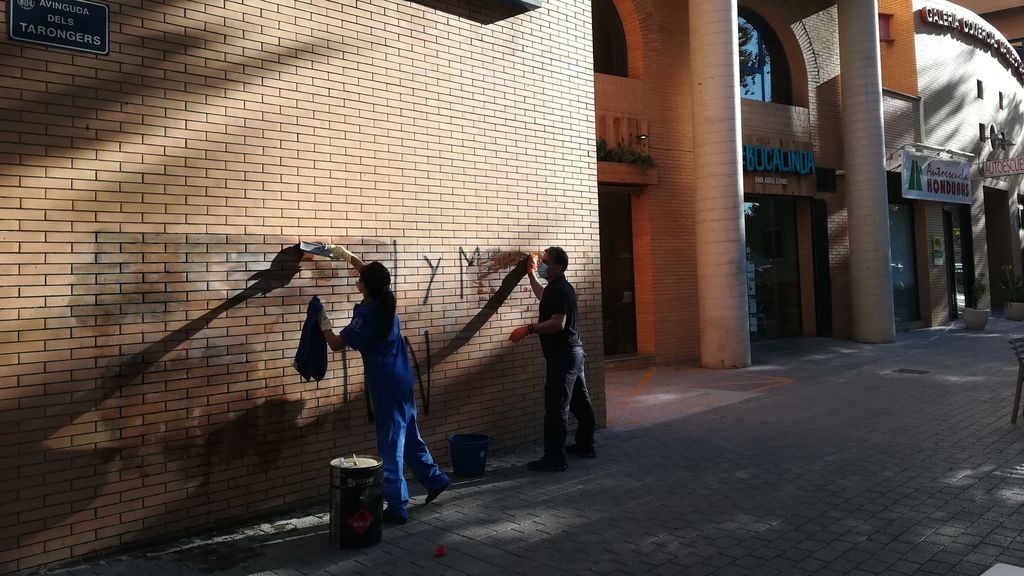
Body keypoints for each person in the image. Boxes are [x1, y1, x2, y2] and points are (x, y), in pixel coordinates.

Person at [319, 247, 450, 524]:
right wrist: (347, 256)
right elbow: (374, 275)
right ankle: (435, 479)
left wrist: (322, 322)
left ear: (366, 285)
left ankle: (398, 506)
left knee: (390, 445)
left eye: (360, 277)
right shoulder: (386, 299)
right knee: (410, 436)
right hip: (401, 380)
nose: (358, 278)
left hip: (385, 383)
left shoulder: (366, 315)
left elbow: (336, 344)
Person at [509, 247, 596, 472]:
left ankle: (555, 459)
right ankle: (586, 446)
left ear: (558, 267)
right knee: (580, 403)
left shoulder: (559, 290)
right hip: (574, 356)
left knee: (556, 407)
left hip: (563, 358)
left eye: (546, 262)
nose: (542, 265)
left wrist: (528, 328)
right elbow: (543, 296)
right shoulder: (558, 288)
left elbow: (558, 323)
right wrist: (530, 274)